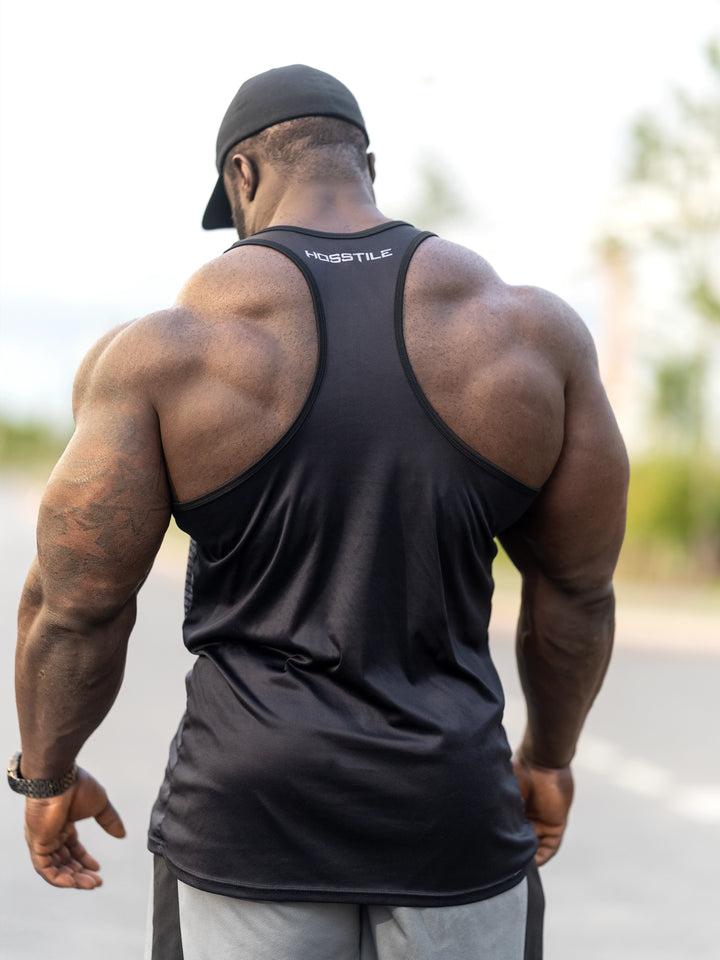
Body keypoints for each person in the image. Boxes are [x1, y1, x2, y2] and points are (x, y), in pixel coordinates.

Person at [9, 64, 628, 960]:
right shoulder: (530, 335)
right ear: (365, 164)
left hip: (246, 823)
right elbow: (579, 593)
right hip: (452, 819)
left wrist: (47, 775)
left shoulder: (163, 354)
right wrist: (547, 759)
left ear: (243, 178)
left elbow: (75, 607)